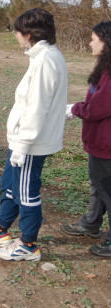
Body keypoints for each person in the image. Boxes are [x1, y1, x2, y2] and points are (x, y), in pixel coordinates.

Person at [0, 8, 68, 262]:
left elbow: (37, 107)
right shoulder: (41, 57)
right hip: (23, 140)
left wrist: (24, 144)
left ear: (28, 34)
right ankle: (1, 229)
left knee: (26, 192)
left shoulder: (46, 60)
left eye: (17, 33)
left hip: (31, 143)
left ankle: (28, 244)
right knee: (10, 185)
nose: (16, 37)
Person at [60, 21, 111, 258]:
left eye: (94, 39)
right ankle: (90, 223)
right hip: (99, 142)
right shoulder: (105, 68)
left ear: (106, 41)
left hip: (107, 144)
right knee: (98, 185)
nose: (90, 43)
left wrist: (74, 109)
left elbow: (98, 107)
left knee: (107, 189)